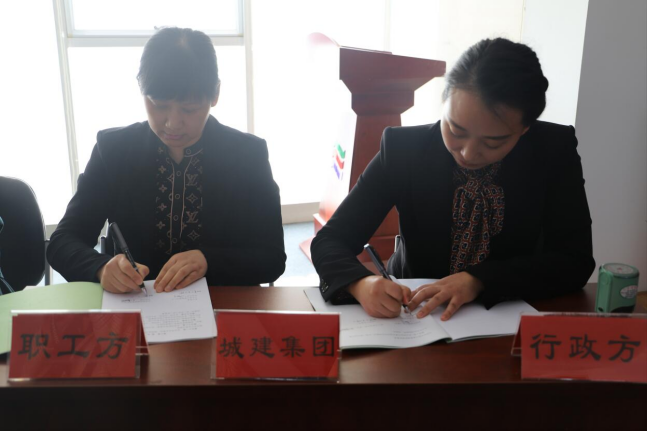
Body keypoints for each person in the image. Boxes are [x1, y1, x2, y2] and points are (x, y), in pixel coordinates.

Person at [311, 38, 595, 320]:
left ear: (525, 128)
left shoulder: (552, 151)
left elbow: (575, 261)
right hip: (416, 314)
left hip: (505, 312)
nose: (468, 153)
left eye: (493, 142)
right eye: (456, 131)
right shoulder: (404, 150)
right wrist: (360, 283)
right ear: (444, 100)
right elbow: (331, 240)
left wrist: (479, 280)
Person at [48, 27, 286, 293]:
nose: (173, 123)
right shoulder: (114, 151)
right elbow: (62, 241)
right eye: (159, 105)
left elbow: (272, 257)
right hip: (136, 303)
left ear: (215, 94)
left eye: (189, 109)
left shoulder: (247, 155)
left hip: (221, 302)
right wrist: (101, 267)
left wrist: (208, 261)